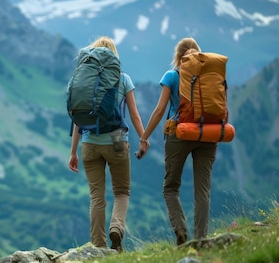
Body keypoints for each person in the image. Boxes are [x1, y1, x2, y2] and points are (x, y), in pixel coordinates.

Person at [68, 36, 145, 253]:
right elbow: (134, 114)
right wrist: (143, 138)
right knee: (121, 192)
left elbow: (78, 119)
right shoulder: (122, 78)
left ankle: (98, 246)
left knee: (96, 196)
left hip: (89, 143)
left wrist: (73, 151)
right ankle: (116, 228)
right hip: (117, 139)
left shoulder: (84, 80)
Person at [137, 37, 217, 246]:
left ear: (178, 57)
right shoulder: (210, 75)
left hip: (179, 133)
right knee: (203, 190)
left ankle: (181, 231)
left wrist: (144, 137)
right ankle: (201, 240)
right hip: (207, 133)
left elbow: (160, 109)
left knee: (170, 187)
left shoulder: (172, 75)